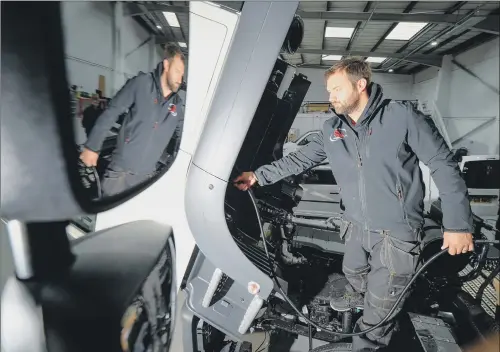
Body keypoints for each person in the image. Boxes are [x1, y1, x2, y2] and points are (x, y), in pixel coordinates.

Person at [234, 57, 474, 351]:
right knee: (353, 274)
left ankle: (371, 339)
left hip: (395, 235)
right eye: (329, 90)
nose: (330, 96)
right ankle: (383, 304)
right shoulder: (333, 128)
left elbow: (443, 164)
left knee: (376, 319)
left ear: (361, 85)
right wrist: (259, 175)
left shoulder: (402, 117)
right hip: (356, 229)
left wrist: (457, 224)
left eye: (336, 89)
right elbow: (300, 158)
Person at [80, 43, 185, 197]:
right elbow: (112, 112)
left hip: (146, 178)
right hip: (120, 172)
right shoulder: (141, 83)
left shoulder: (177, 105)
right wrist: (92, 146)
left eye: (182, 75)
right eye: (177, 72)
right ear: (166, 65)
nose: (180, 79)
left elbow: (184, 137)